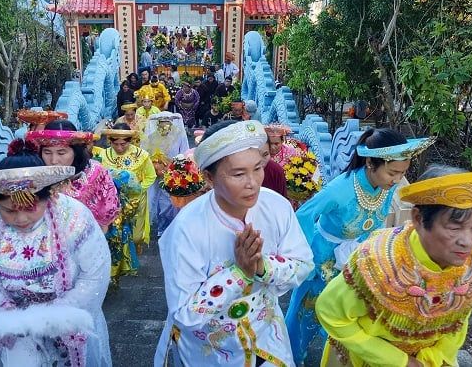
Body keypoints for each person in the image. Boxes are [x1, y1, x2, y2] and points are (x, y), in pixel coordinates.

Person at [154, 120, 314, 366]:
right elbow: (184, 313)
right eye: (238, 174)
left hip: (265, 335)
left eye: (258, 168)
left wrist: (262, 267)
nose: (253, 182)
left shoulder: (276, 207)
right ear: (209, 177)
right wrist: (238, 274)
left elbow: (304, 264)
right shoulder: (187, 228)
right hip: (208, 346)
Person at [315, 166, 472, 367]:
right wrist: (398, 360)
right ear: (417, 219)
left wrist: (435, 357)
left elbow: (459, 318)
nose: (468, 241)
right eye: (454, 228)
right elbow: (330, 312)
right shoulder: (378, 262)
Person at [0, 143, 112, 366]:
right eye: (8, 210)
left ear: (50, 195)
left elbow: (95, 272)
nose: (20, 219)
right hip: (16, 331)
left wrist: (60, 314)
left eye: (30, 208)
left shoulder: (74, 218)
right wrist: (6, 313)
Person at [285, 129, 435, 365]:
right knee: (305, 316)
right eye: (393, 173)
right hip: (323, 259)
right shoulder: (339, 189)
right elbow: (303, 215)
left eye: (403, 173)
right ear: (370, 163)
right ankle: (292, 359)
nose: (396, 180)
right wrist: (304, 258)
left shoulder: (386, 187)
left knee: (346, 319)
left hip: (357, 258)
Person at [26, 120, 120, 234]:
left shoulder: (96, 172)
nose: (53, 160)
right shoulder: (33, 175)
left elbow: (104, 219)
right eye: (47, 152)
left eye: (61, 153)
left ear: (75, 152)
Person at [96, 123, 157, 250]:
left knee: (136, 236)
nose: (119, 148)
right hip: (111, 201)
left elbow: (151, 176)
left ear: (130, 141)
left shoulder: (142, 155)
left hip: (135, 200)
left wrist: (137, 190)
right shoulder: (102, 155)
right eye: (115, 144)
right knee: (114, 235)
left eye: (123, 144)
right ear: (110, 141)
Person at [141, 112, 190, 236]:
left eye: (167, 126)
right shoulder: (152, 137)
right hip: (157, 175)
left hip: (174, 174)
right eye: (162, 126)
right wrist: (156, 166)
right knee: (159, 201)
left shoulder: (179, 136)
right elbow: (145, 155)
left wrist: (176, 168)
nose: (164, 129)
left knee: (172, 202)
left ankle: (173, 227)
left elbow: (184, 154)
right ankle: (162, 228)